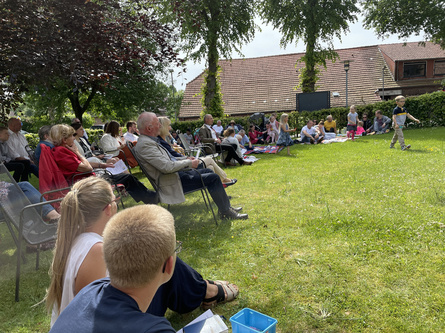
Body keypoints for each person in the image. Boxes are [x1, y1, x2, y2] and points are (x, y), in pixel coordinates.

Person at [46, 178, 239, 329]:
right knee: (163, 260)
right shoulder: (95, 251)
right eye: (115, 199)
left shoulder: (73, 239)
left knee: (161, 261)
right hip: (111, 323)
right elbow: (100, 315)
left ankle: (204, 289)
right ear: (108, 209)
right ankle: (207, 290)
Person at [135, 112, 248, 219]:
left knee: (209, 172)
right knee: (213, 178)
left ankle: (226, 208)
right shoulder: (146, 145)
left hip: (175, 176)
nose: (160, 125)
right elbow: (167, 167)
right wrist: (189, 163)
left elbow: (169, 159)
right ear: (149, 128)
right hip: (172, 182)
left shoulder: (148, 141)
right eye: (157, 123)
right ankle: (225, 212)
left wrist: (185, 159)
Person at [49, 124, 157, 204]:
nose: (74, 138)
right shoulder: (61, 152)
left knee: (128, 177)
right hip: (88, 183)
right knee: (127, 178)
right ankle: (150, 198)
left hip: (91, 178)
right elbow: (86, 167)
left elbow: (82, 165)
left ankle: (149, 197)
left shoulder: (63, 150)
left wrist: (102, 165)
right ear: (64, 139)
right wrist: (77, 152)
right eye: (72, 136)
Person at [157, 119, 236, 186]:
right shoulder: (161, 142)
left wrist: (186, 157)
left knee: (210, 168)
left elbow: (172, 155)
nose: (170, 128)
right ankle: (225, 179)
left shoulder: (162, 140)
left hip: (182, 163)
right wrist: (187, 158)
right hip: (182, 166)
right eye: (168, 125)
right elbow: (173, 155)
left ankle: (221, 185)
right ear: (163, 127)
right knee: (209, 159)